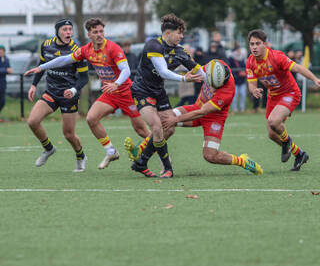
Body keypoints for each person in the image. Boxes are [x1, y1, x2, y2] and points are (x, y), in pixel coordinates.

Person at [25, 18, 151, 170]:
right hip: (108, 94)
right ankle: (111, 151)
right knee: (91, 118)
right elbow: (64, 59)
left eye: (101, 31)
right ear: (89, 34)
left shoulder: (113, 48)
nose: (99, 34)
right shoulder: (86, 50)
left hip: (126, 93)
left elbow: (126, 70)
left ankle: (164, 155)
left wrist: (116, 83)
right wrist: (41, 68)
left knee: (141, 130)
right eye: (95, 32)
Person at [126, 13, 202, 178]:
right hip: (142, 90)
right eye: (179, 33)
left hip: (159, 92)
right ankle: (168, 169)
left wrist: (220, 77)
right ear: (168, 33)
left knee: (170, 127)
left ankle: (141, 162)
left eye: (182, 33)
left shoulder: (180, 52)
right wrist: (184, 78)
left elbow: (200, 71)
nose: (182, 36)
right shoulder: (153, 45)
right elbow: (163, 71)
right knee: (157, 127)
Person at [162, 59, 263, 175]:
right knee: (165, 119)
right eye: (211, 84)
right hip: (197, 107)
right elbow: (195, 67)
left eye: (216, 87)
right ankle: (145, 151)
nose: (212, 89)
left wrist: (175, 120)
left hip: (213, 119)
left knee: (210, 156)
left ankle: (242, 161)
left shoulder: (227, 92)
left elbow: (202, 112)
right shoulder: (213, 66)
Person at [246, 29, 320, 171]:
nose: (254, 47)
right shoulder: (250, 62)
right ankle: (299, 154)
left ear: (265, 44)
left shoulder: (276, 57)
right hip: (273, 96)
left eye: (257, 43)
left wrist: (315, 79)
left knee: (274, 121)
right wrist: (253, 90)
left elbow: (298, 68)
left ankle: (286, 142)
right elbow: (251, 82)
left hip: (290, 93)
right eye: (251, 44)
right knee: (272, 133)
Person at [26, 19, 89, 172]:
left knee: (68, 134)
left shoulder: (77, 50)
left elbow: (84, 77)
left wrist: (74, 90)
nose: (68, 32)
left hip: (69, 96)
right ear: (57, 31)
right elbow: (41, 66)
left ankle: (80, 156)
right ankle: (48, 149)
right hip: (51, 93)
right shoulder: (46, 45)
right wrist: (34, 85)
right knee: (32, 121)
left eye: (70, 29)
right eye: (65, 29)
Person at [228, 44, 247, 112]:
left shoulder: (242, 57)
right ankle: (234, 109)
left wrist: (244, 73)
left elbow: (244, 67)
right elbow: (230, 69)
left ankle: (242, 108)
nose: (239, 50)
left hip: (242, 80)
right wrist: (237, 74)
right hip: (235, 80)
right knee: (234, 96)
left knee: (243, 94)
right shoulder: (231, 58)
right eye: (238, 49)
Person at [0, 45, 13, 120]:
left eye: (2, 50)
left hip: (2, 84)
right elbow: (6, 70)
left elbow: (10, 69)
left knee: (2, 102)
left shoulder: (6, 59)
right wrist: (5, 70)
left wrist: (8, 70)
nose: (1, 52)